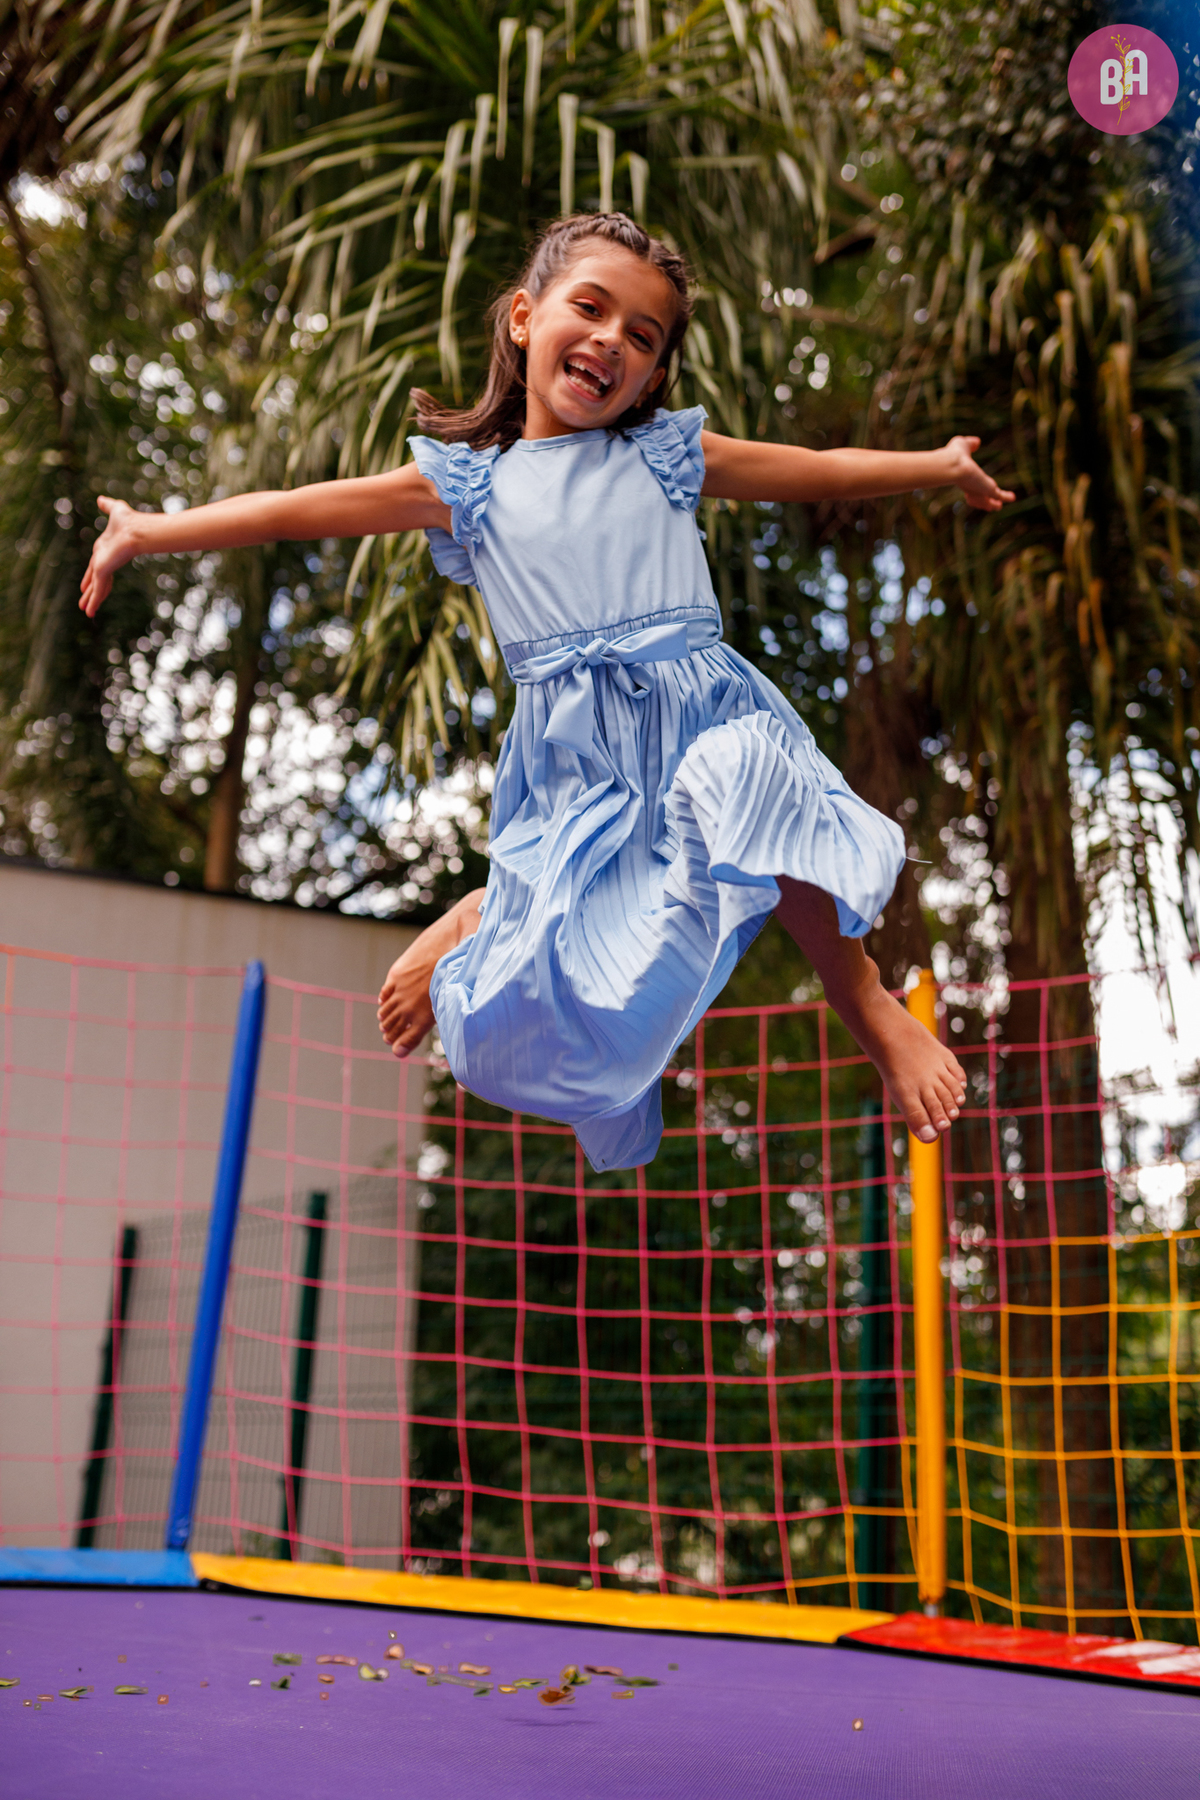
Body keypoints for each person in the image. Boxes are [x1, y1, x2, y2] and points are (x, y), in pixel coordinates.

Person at [81, 212, 1013, 1171]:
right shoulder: (467, 487)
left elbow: (817, 472)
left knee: (752, 779)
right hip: (581, 762)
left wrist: (938, 466)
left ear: (652, 376)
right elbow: (291, 512)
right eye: (591, 309)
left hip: (698, 707)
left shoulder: (665, 455)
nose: (612, 340)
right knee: (573, 982)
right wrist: (149, 531)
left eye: (642, 337)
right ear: (525, 319)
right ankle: (485, 918)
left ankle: (864, 1000)